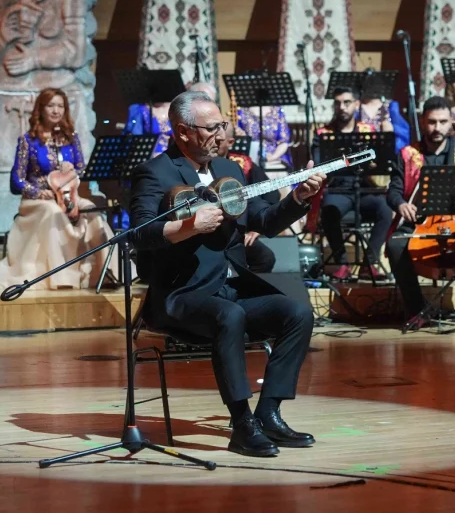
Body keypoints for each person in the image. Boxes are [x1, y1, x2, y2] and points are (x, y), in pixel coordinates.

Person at [129, 90, 325, 458]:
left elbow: (263, 220)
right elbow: (139, 234)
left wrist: (298, 197)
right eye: (212, 128)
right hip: (181, 294)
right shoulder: (155, 173)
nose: (221, 134)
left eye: (222, 125)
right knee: (229, 316)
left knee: (297, 313)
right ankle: (242, 424)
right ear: (183, 131)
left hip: (230, 287)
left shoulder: (230, 170)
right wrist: (188, 226)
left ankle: (268, 414)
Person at [385, 96, 455, 330]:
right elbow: (393, 191)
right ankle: (418, 309)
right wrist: (401, 204)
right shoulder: (407, 154)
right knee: (395, 245)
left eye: (443, 122)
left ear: (450, 122)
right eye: (432, 122)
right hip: (419, 222)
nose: (437, 128)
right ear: (422, 122)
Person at [0, 88, 112, 290]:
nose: (56, 110)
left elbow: (81, 168)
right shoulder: (28, 141)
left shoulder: (71, 138)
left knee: (91, 209)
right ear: (41, 109)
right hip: (37, 201)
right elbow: (17, 180)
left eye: (60, 106)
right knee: (53, 211)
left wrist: (71, 172)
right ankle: (62, 277)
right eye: (51, 105)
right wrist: (38, 191)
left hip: (68, 196)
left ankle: (104, 271)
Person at [311, 86, 391, 281]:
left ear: (356, 104)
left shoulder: (368, 131)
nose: (342, 107)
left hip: (364, 188)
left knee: (385, 210)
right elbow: (318, 165)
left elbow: (380, 162)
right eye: (338, 103)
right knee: (329, 210)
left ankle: (369, 264)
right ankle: (342, 263)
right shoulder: (322, 133)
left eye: (347, 102)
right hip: (337, 188)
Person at [222, 133, 278, 274]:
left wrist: (257, 228)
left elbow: (272, 194)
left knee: (265, 258)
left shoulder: (242, 164)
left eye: (219, 139)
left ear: (230, 142)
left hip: (236, 233)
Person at [357, 80, 409, 153]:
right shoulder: (356, 106)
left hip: (385, 152)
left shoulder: (390, 106)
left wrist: (389, 130)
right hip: (361, 151)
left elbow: (403, 139)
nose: (373, 87)